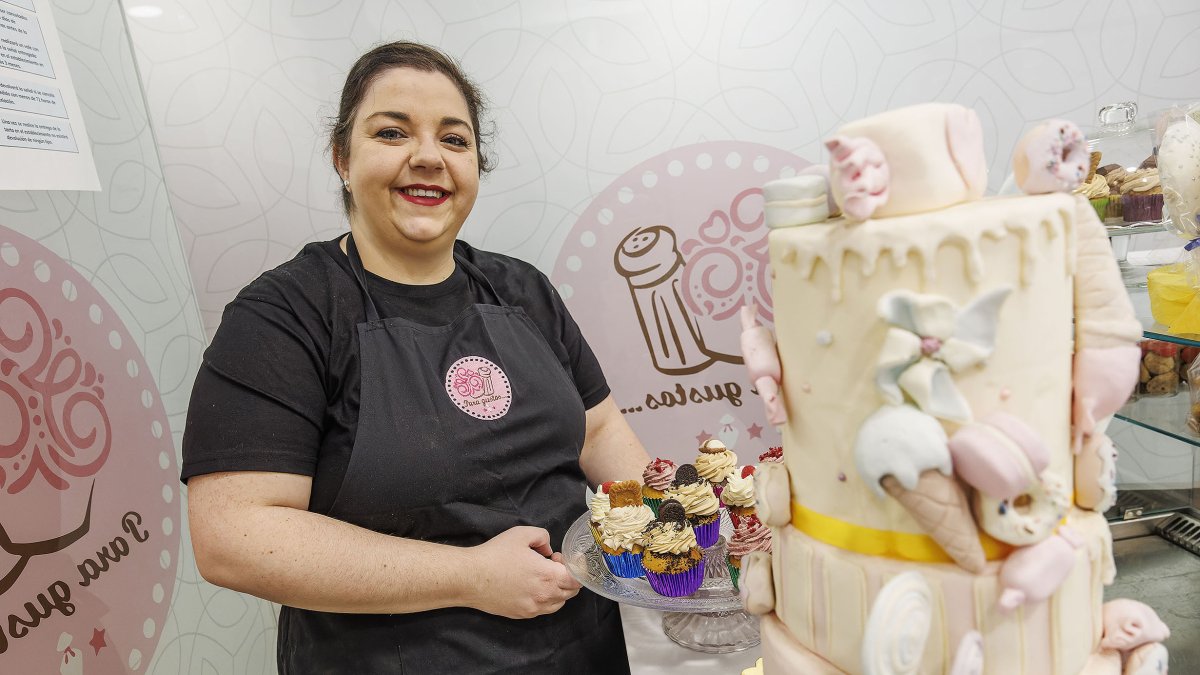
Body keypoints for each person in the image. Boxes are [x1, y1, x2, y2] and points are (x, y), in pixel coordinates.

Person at [181, 41, 650, 673]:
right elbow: (234, 537)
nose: (428, 157)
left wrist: (673, 525)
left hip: (584, 648)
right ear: (343, 158)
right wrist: (469, 575)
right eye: (393, 132)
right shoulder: (285, 314)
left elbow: (599, 428)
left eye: (454, 140)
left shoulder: (522, 290)